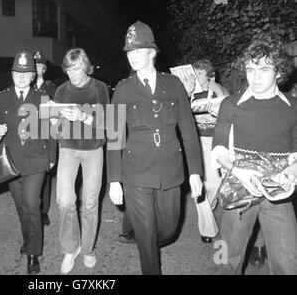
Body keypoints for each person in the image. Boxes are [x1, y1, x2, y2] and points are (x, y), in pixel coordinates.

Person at [107, 21, 203, 275]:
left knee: (170, 228)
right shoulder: (123, 89)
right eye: (129, 52)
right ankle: (146, 249)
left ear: (152, 52)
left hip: (171, 169)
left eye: (138, 50)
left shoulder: (173, 85)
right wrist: (114, 180)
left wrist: (195, 172)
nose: (133, 56)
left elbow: (189, 132)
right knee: (147, 236)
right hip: (135, 171)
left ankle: (144, 240)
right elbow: (114, 137)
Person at [211, 35, 297, 274]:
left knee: (288, 262)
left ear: (278, 71)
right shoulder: (231, 104)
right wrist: (239, 171)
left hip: (277, 194)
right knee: (226, 259)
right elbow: (218, 148)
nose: (255, 77)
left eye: (264, 69)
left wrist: (292, 171)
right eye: (250, 69)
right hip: (239, 187)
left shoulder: (293, 108)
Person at [0, 50, 56, 274]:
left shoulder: (42, 98)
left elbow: (52, 130)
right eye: (18, 72)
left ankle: (34, 253)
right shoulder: (3, 97)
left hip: (36, 160)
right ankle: (28, 240)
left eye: (26, 73)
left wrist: (52, 158)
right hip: (12, 162)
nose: (22, 77)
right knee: (20, 207)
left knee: (31, 204)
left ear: (33, 76)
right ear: (12, 73)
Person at [52, 48, 110, 274]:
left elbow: (108, 122)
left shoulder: (99, 88)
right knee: (65, 200)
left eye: (76, 68)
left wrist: (83, 116)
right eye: (68, 69)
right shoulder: (61, 90)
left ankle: (87, 249)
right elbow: (54, 128)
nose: (72, 73)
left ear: (85, 66)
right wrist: (52, 119)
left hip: (93, 150)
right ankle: (70, 248)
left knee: (89, 202)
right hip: (68, 149)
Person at [189, 59, 227, 244]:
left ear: (210, 75)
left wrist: (217, 89)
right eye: (194, 73)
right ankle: (207, 229)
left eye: (200, 73)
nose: (195, 77)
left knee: (216, 184)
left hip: (217, 140)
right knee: (201, 186)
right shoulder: (189, 92)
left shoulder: (217, 90)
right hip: (197, 142)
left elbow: (230, 113)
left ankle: (208, 209)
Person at [33, 50, 57, 226]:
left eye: (39, 66)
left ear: (44, 69)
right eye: (34, 66)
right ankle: (32, 207)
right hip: (28, 132)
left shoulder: (51, 87)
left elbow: (56, 112)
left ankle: (43, 210)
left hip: (45, 132)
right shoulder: (26, 87)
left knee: (45, 174)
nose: (36, 69)